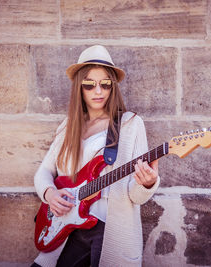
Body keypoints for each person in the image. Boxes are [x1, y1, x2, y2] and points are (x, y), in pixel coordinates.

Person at [32, 45, 160, 267]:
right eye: (90, 84)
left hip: (109, 229)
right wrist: (50, 194)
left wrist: (147, 184)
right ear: (80, 87)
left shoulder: (130, 124)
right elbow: (44, 171)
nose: (98, 91)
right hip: (66, 225)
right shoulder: (68, 126)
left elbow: (136, 196)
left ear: (113, 87)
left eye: (105, 84)